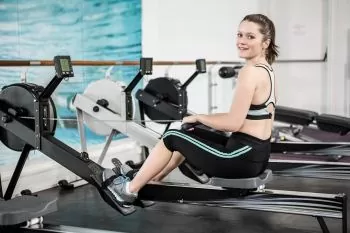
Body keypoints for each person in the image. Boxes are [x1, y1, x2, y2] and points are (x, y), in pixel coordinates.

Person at [102, 13, 279, 204]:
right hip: (254, 154)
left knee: (172, 137)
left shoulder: (249, 72)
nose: (241, 41)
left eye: (250, 37)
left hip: (241, 158)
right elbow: (242, 116)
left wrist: (202, 118)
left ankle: (128, 190)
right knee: (189, 131)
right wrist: (198, 118)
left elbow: (233, 123)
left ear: (265, 42)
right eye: (239, 35)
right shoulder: (266, 69)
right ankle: (151, 179)